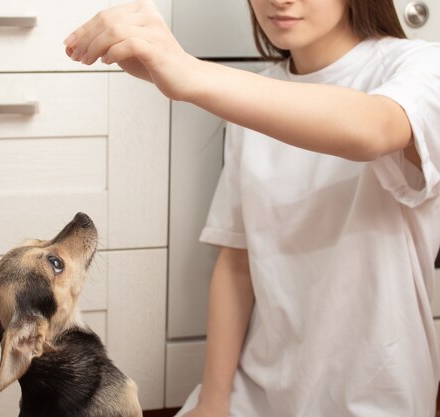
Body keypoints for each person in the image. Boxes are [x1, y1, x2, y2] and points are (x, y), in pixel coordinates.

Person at [64, 0, 440, 416]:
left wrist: (189, 72)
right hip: (259, 390)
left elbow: (375, 128)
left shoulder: (421, 65)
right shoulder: (253, 94)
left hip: (375, 394)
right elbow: (236, 262)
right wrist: (213, 401)